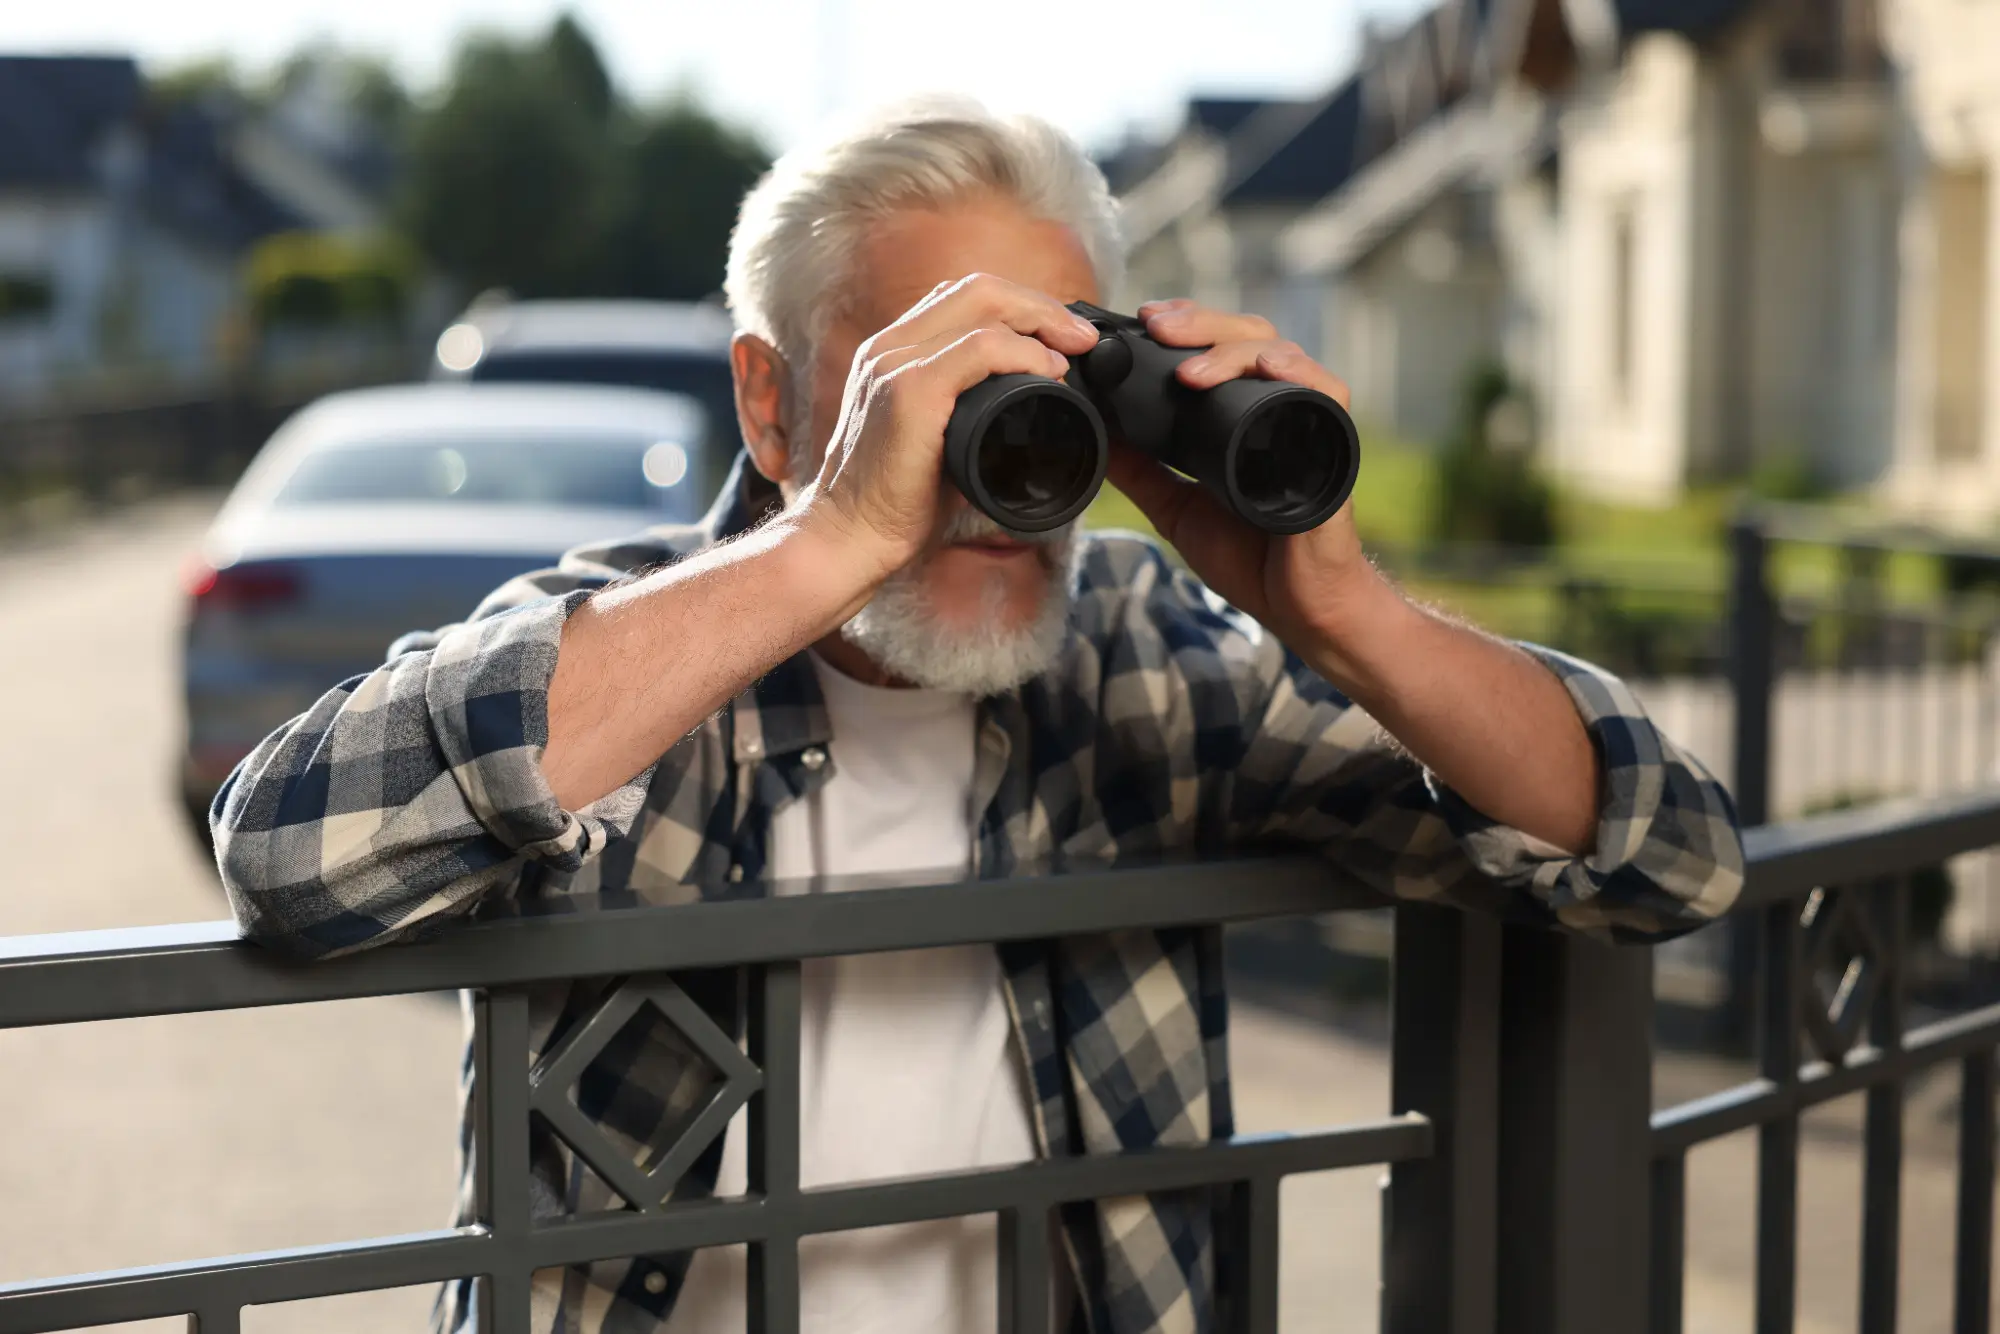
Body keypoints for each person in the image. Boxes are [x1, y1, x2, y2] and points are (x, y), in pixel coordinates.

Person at [213, 98, 1744, 1334]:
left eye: (1046, 385)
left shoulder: (1143, 655)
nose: (1006, 470)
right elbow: (286, 854)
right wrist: (829, 542)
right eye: (937, 384)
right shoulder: (626, 647)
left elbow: (1672, 854)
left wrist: (1347, 613)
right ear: (770, 402)